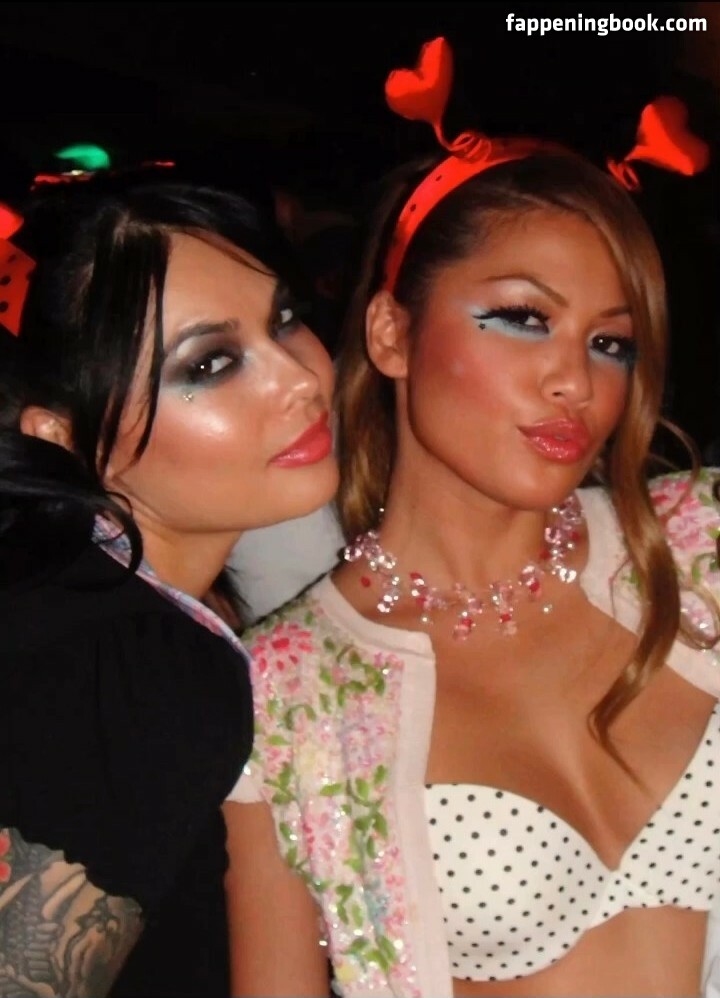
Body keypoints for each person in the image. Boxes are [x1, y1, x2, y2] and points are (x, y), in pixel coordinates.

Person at [223, 38, 720, 998]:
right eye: (524, 318)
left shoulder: (695, 543)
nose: (576, 380)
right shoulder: (289, 696)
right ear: (391, 333)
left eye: (611, 342)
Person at [0, 171, 337, 997]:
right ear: (61, 437)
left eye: (283, 320)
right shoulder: (133, 663)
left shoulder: (85, 610)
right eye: (211, 363)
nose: (299, 378)